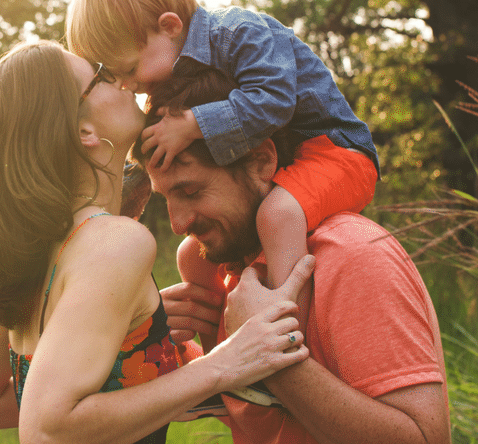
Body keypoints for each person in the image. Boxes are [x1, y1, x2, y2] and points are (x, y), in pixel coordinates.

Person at [0, 40, 313, 444]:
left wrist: (138, 340)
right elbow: (47, 428)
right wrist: (225, 364)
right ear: (84, 131)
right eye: (100, 77)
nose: (121, 80)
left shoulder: (44, 245)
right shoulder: (114, 242)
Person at [139, 65, 451, 444]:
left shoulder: (352, 256)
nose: (176, 223)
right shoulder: (222, 268)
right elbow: (268, 416)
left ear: (261, 161)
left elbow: (427, 438)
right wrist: (156, 341)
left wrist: (268, 353)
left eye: (191, 192)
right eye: (165, 196)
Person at [66, 0, 380, 336]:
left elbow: (275, 99)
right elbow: (155, 161)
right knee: (190, 256)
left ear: (169, 26)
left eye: (130, 70)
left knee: (278, 214)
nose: (129, 87)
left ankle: (288, 336)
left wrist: (192, 123)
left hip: (335, 149)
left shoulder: (238, 32)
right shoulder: (173, 75)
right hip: (283, 162)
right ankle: (225, 364)